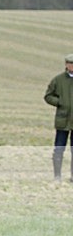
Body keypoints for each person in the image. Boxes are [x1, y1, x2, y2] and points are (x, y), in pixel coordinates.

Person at [43, 54, 73, 182]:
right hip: (62, 120)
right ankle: (57, 176)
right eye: (70, 63)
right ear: (66, 64)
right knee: (59, 148)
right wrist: (60, 102)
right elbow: (48, 96)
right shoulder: (58, 80)